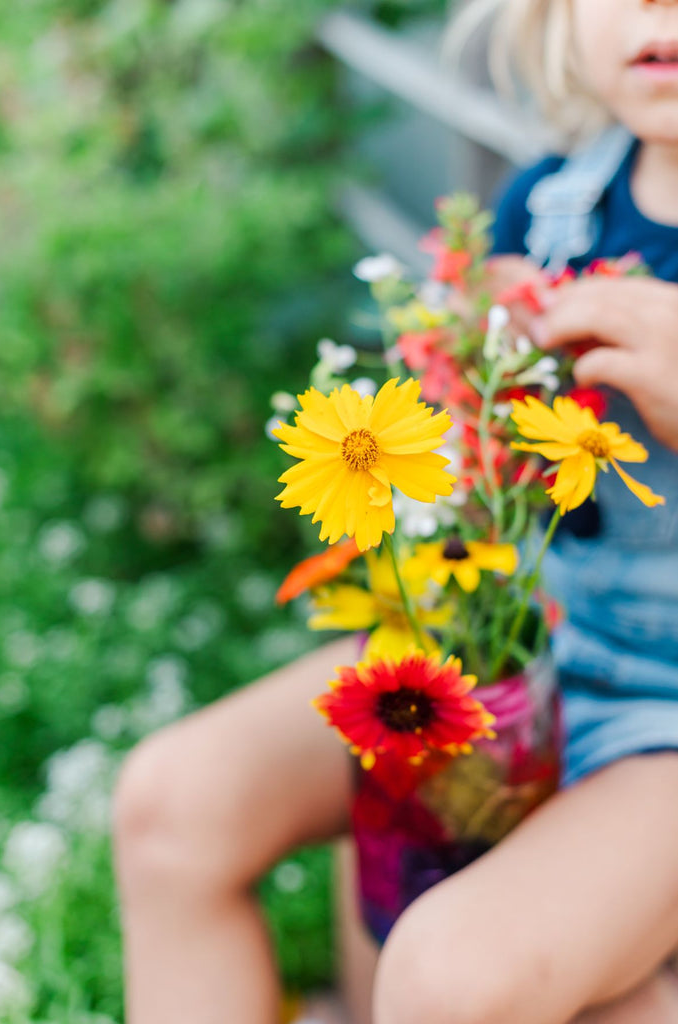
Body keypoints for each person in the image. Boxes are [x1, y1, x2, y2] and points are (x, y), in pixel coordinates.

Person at [112, 1, 678, 1021]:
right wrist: (468, 368)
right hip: (522, 643)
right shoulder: (550, 207)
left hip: (664, 726)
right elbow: (487, 477)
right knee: (174, 802)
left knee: (446, 974)